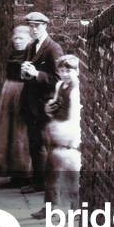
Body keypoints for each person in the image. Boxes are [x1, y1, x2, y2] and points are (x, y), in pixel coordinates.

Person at [19, 11, 63, 193]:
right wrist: (25, 72)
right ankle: (38, 182)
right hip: (30, 104)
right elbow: (26, 74)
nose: (34, 29)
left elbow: (58, 79)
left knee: (43, 145)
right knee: (34, 144)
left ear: (45, 26)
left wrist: (36, 74)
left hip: (44, 105)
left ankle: (44, 184)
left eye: (37, 26)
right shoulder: (31, 47)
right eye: (31, 26)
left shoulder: (53, 48)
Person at [32, 55, 81, 218]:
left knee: (72, 176)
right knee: (51, 172)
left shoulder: (76, 90)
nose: (64, 74)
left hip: (69, 137)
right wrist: (48, 109)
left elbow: (75, 115)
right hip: (56, 133)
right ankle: (51, 206)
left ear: (77, 71)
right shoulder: (60, 85)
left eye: (68, 71)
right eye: (61, 71)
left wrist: (71, 138)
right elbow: (54, 104)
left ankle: (76, 209)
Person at [0, 25, 34, 186]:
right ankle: (14, 172)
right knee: (8, 133)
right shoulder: (14, 54)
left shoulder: (33, 56)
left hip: (23, 95)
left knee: (21, 134)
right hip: (9, 95)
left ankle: (25, 173)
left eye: (22, 38)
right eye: (15, 38)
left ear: (30, 40)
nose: (17, 41)